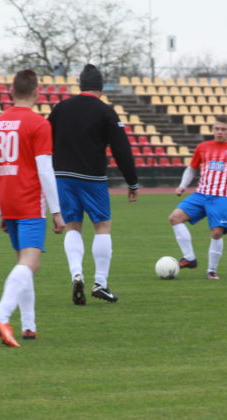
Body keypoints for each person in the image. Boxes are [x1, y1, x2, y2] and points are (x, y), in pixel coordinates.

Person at [0, 69, 65, 347]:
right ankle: (0, 315)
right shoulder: (38, 123)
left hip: (7, 199)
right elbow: (45, 170)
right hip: (29, 200)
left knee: (23, 262)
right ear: (36, 92)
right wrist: (56, 211)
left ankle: (29, 326)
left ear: (11, 92)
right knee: (31, 262)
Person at [48, 64, 138, 305]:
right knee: (102, 227)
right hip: (93, 178)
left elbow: (46, 139)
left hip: (63, 177)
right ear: (101, 87)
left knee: (73, 226)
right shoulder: (105, 111)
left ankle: (76, 274)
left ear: (80, 85)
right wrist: (132, 182)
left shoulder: (61, 108)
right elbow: (121, 149)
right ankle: (100, 282)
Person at [168, 115, 227, 280]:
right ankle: (189, 258)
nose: (219, 132)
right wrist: (183, 185)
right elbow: (191, 168)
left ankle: (211, 271)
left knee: (217, 232)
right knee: (175, 218)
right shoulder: (203, 147)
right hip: (201, 194)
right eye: (216, 128)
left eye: (223, 129)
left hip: (222, 196)